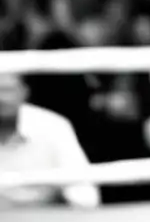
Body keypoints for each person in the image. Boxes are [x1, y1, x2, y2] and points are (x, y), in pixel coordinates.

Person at [0, 72, 100, 210]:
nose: (1, 98)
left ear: (24, 92)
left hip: (46, 217)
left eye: (6, 90)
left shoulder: (52, 126)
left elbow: (83, 192)